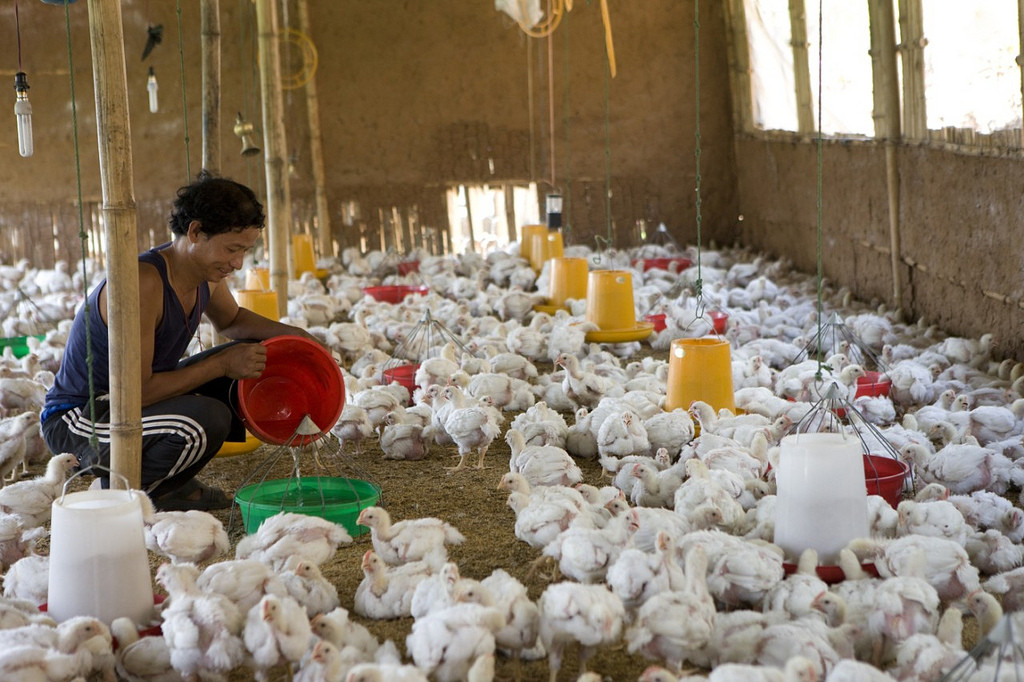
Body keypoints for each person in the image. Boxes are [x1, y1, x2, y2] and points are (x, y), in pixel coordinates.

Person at [41, 172, 317, 510]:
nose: (238, 263)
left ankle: (171, 485)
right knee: (206, 418)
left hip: (128, 401)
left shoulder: (206, 275)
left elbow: (232, 320)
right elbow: (137, 390)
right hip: (82, 418)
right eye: (232, 249)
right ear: (196, 232)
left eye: (245, 250)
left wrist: (296, 336)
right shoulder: (144, 283)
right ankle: (123, 494)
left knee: (246, 364)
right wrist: (222, 365)